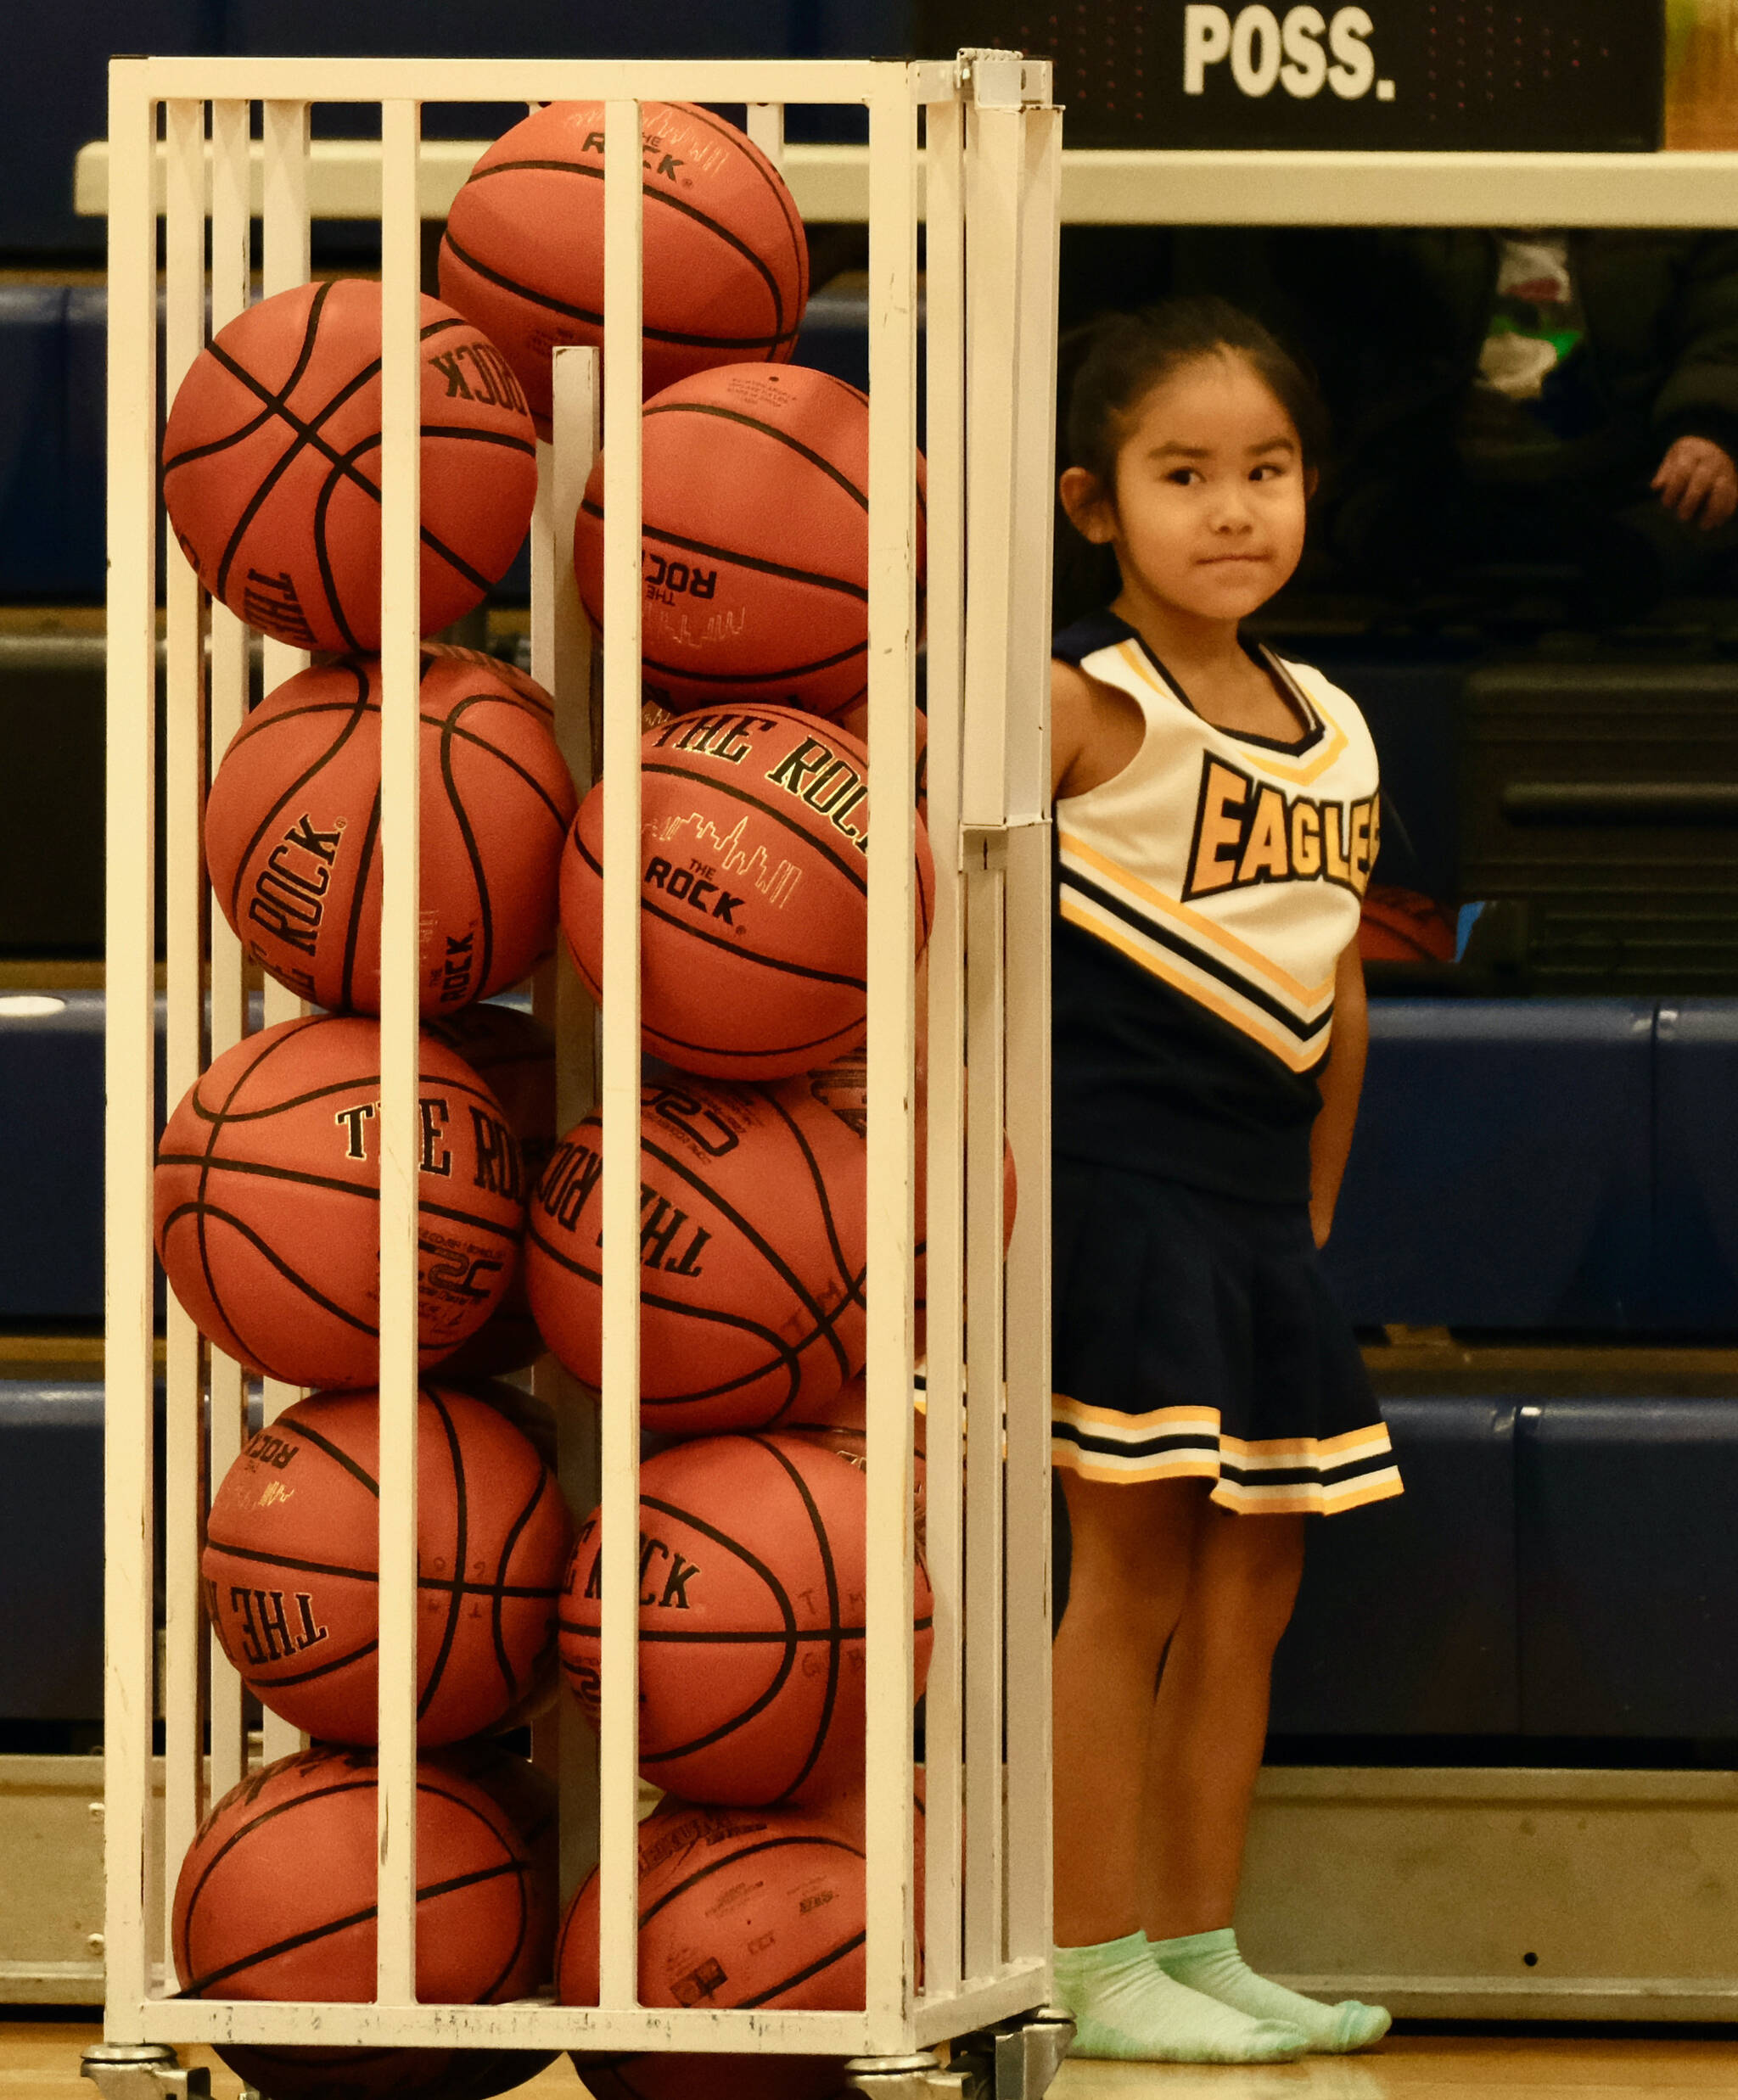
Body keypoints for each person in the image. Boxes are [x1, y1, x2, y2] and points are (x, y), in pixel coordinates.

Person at [1046, 297, 1401, 2064]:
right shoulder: (1071, 703)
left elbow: (1338, 987)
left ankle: (1196, 1935)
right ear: (1093, 505)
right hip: (1119, 1187)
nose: (1233, 507)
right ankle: (1084, 1953)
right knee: (1129, 1579)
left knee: (1256, 1579)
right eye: (1182, 473)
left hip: (1262, 1213)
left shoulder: (1337, 722)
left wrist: (1312, 1212)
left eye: (1265, 469)